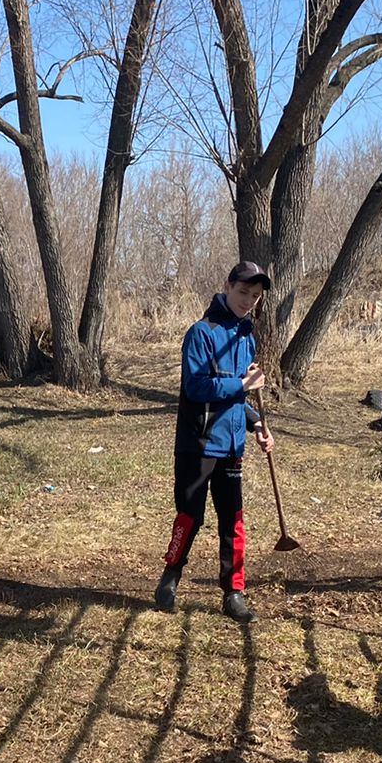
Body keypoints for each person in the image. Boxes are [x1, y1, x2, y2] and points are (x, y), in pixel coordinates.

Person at [155, 260, 276, 623]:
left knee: (233, 520)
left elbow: (238, 396)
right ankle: (171, 574)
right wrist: (242, 385)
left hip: (232, 445)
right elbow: (197, 387)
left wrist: (256, 425)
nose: (248, 300)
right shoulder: (201, 333)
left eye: (255, 296)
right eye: (243, 292)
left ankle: (234, 592)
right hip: (198, 441)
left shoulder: (246, 336)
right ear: (227, 286)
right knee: (190, 516)